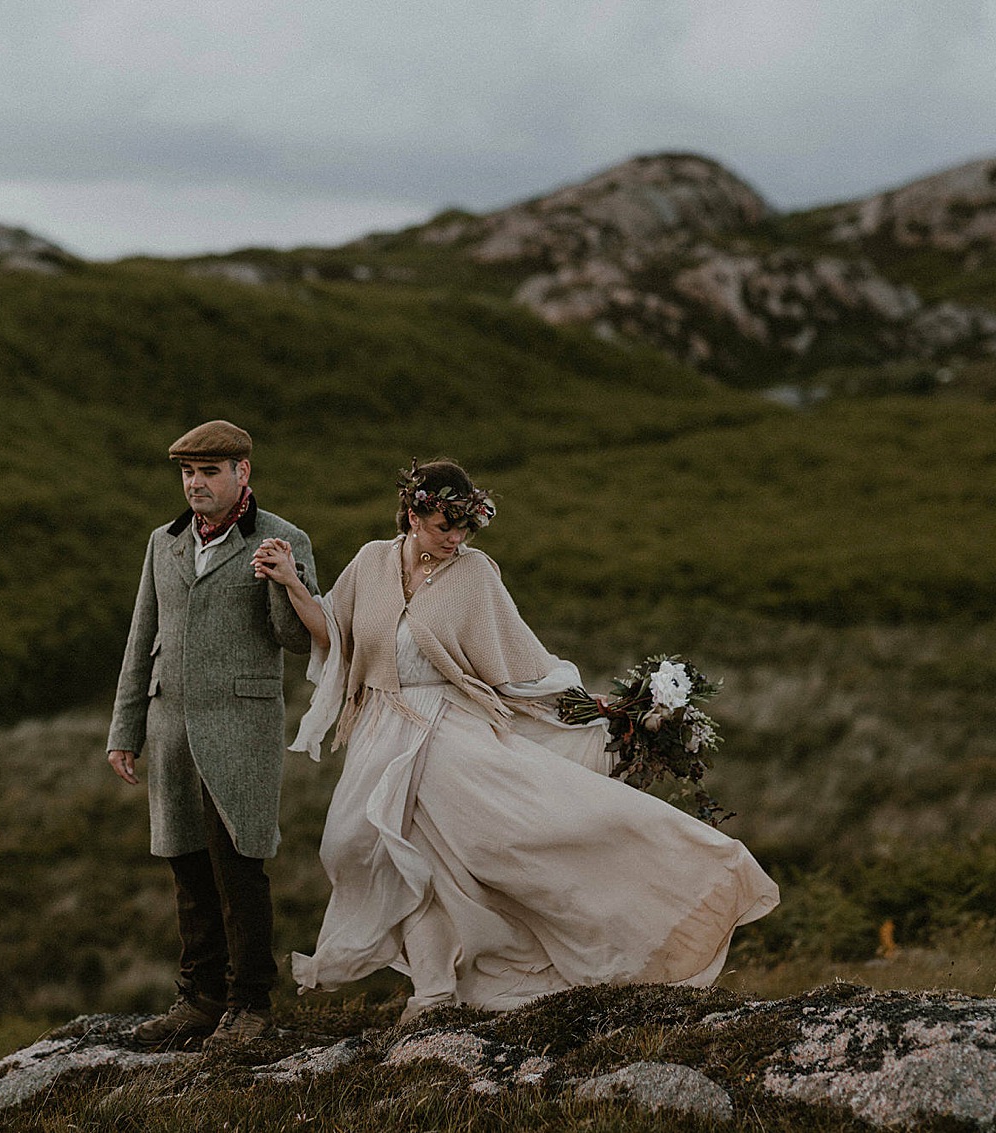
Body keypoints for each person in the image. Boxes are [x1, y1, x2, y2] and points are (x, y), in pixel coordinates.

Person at [251, 459, 778, 1023]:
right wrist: (291, 583)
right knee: (355, 849)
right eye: (443, 527)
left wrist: (595, 707)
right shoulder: (370, 563)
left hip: (447, 731)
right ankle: (434, 986)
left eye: (463, 529)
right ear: (412, 515)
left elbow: (520, 661)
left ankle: (433, 995)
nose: (455, 540)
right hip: (381, 729)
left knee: (502, 842)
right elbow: (334, 633)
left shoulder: (476, 574)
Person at [107, 420, 318, 1047]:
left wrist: (287, 580)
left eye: (209, 473)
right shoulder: (162, 542)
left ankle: (251, 1006)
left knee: (239, 871)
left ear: (242, 474)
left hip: (240, 731)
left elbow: (300, 639)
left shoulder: (284, 538)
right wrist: (126, 730)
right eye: (188, 474)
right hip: (171, 729)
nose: (196, 485)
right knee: (187, 869)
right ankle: (199, 1000)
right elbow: (140, 639)